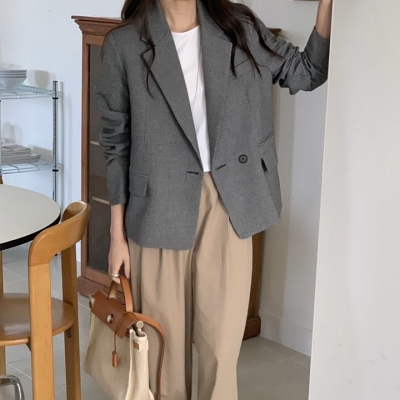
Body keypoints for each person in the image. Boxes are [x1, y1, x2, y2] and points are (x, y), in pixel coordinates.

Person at [96, 0, 332, 399]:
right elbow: (116, 144)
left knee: (220, 348)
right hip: (157, 208)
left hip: (229, 204)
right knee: (163, 353)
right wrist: (117, 236)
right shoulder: (125, 43)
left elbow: (308, 71)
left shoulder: (239, 26)